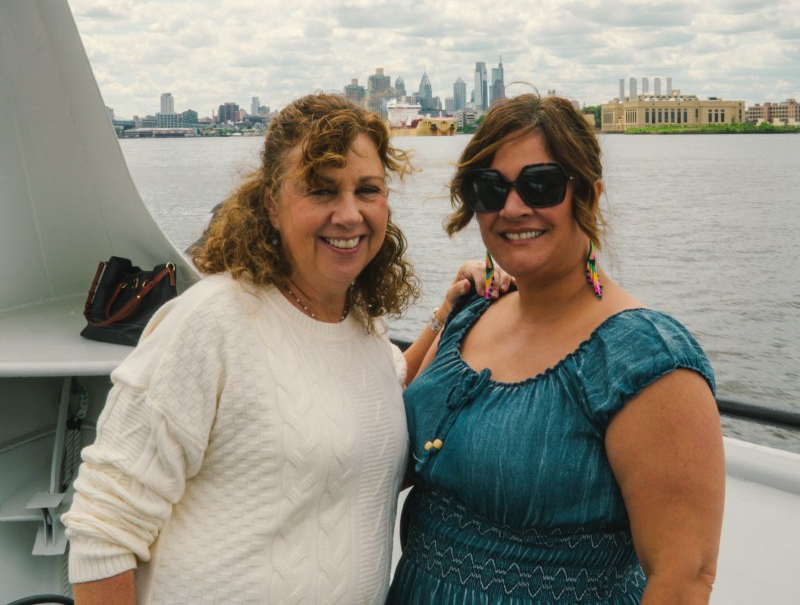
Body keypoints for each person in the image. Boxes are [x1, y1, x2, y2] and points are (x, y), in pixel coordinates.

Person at [62, 92, 509, 605]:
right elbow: (102, 531)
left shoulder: (360, 324)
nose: (349, 215)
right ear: (271, 204)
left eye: (367, 190)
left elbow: (378, 400)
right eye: (321, 191)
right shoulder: (210, 323)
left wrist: (448, 310)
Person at [387, 94, 725, 605]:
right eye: (490, 188)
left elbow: (684, 575)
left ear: (588, 193)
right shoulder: (471, 317)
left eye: (540, 184)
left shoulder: (644, 360)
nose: (514, 207)